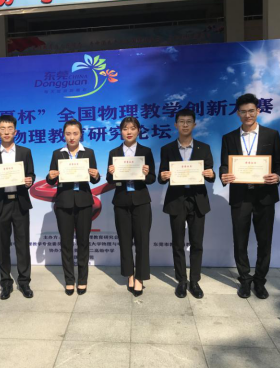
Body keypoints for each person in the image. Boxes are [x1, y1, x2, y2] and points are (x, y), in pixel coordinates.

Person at [220, 94, 280, 300]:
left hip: (265, 195)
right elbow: (224, 165)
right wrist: (224, 175)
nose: (247, 115)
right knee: (240, 240)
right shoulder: (229, 138)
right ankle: (244, 280)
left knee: (264, 241)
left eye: (251, 111)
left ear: (258, 111)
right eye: (243, 112)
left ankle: (259, 281)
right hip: (240, 196)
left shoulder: (271, 135)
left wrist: (277, 176)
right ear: (238, 113)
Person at [159, 109, 216, 300]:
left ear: (194, 125)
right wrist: (163, 176)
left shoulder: (204, 148)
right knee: (177, 243)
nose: (185, 125)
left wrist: (211, 174)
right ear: (176, 125)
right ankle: (181, 280)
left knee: (197, 243)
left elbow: (211, 175)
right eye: (181, 121)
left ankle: (195, 281)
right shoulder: (167, 149)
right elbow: (161, 176)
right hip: (176, 200)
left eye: (189, 121)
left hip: (197, 200)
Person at [46, 119, 100, 296]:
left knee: (83, 242)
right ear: (64, 134)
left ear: (80, 134)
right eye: (68, 133)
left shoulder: (89, 153)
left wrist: (96, 175)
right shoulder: (57, 154)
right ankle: (69, 280)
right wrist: (50, 176)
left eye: (75, 133)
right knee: (66, 243)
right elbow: (51, 180)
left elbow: (94, 179)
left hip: (84, 202)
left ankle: (82, 279)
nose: (71, 137)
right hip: (64, 202)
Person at [0, 115, 36, 301]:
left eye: (10, 128)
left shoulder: (25, 152)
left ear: (15, 131)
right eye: (2, 129)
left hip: (20, 202)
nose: (6, 132)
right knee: (2, 245)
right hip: (1, 204)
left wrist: (29, 181)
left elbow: (31, 174)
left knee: (22, 244)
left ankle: (24, 282)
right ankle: (6, 282)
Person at [106, 117, 156, 297]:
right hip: (121, 201)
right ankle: (130, 274)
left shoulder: (146, 151)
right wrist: (111, 173)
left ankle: (140, 277)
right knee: (125, 241)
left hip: (141, 201)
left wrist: (146, 173)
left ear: (138, 131)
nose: (129, 132)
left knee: (142, 241)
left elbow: (152, 179)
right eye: (125, 128)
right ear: (121, 131)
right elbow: (110, 180)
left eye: (132, 128)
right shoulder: (114, 152)